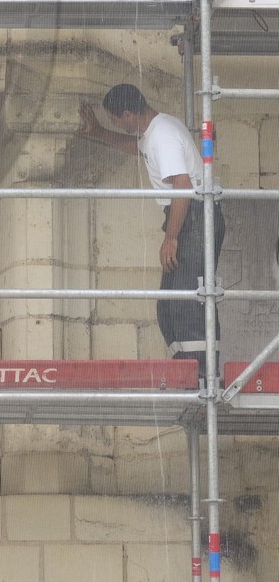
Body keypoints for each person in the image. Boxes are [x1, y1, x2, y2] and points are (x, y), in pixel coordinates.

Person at [79, 83, 223, 382]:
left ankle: (201, 377)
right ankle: (186, 370)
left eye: (115, 119)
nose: (117, 124)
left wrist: (171, 237)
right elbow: (136, 148)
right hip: (187, 215)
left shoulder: (162, 135)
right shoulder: (153, 134)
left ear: (128, 114)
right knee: (168, 305)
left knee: (188, 299)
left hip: (195, 215)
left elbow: (183, 185)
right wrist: (98, 133)